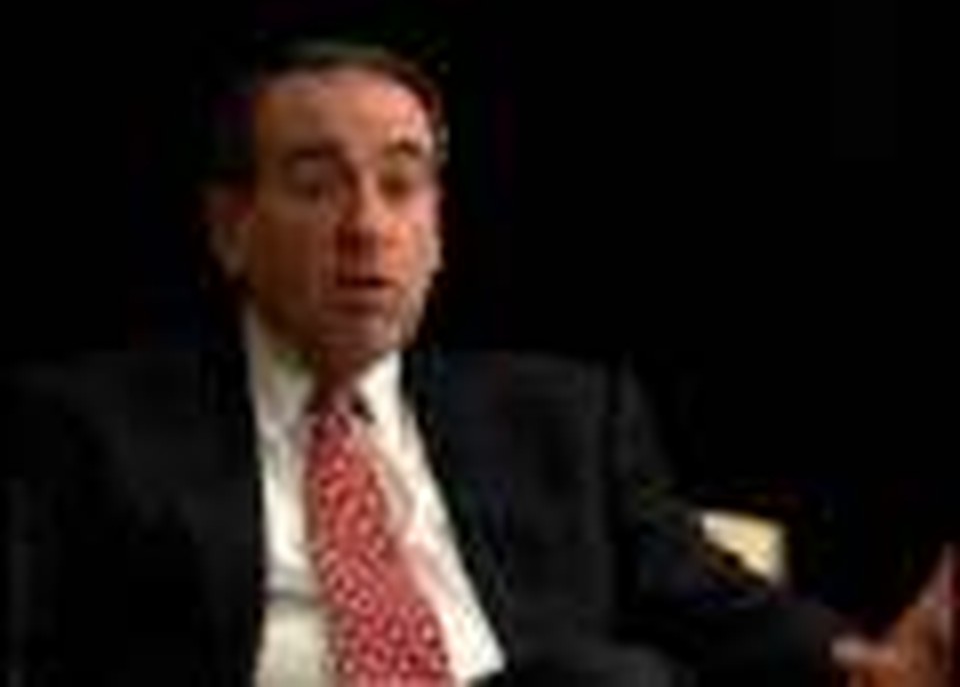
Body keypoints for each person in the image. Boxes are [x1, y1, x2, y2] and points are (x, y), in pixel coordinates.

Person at [6, 39, 948, 686]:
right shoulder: (85, 427)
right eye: (317, 185)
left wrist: (873, 668)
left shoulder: (568, 419)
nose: (367, 226)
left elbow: (707, 601)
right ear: (230, 228)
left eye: (401, 183)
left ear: (438, 230)